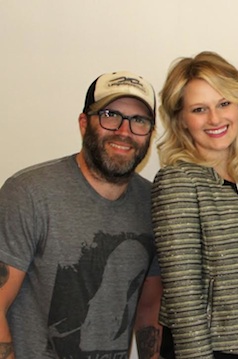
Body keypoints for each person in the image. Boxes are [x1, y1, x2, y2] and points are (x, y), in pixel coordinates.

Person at [0, 71, 162, 358]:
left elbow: (149, 309)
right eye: (110, 115)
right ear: (84, 122)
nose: (124, 131)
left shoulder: (154, 203)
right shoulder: (30, 193)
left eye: (139, 121)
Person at [152, 51, 238, 359]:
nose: (215, 119)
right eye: (199, 109)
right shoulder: (176, 182)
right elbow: (184, 298)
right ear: (181, 119)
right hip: (207, 349)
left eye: (223, 103)